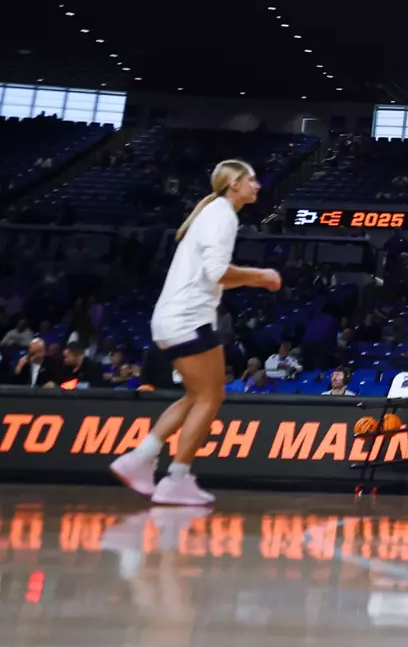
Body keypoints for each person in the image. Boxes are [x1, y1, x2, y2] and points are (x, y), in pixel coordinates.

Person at [109, 159, 281, 506]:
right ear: (234, 184)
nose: (257, 185)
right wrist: (261, 276)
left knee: (195, 395)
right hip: (187, 318)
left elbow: (212, 275)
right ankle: (177, 478)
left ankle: (140, 458)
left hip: (172, 318)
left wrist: (249, 277)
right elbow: (218, 272)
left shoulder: (214, 212)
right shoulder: (222, 215)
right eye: (252, 179)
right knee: (211, 397)